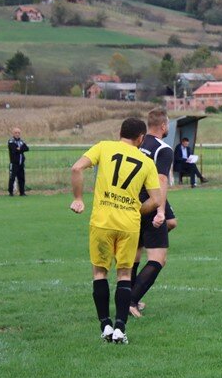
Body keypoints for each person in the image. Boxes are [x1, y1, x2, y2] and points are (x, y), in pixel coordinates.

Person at [70, 118, 162, 344]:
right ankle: (120, 327)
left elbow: (76, 168)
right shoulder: (146, 161)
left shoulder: (103, 147)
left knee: (100, 273)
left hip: (102, 221)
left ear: (120, 132)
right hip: (129, 224)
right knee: (124, 275)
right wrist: (136, 209)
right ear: (141, 138)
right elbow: (156, 199)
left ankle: (105, 326)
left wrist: (78, 199)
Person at [129, 109, 178, 318]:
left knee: (171, 223)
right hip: (150, 200)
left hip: (132, 200)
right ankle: (131, 301)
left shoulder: (138, 145)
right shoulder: (163, 149)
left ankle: (130, 297)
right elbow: (161, 180)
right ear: (164, 126)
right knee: (159, 258)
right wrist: (159, 211)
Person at [8, 127, 29, 196]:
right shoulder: (11, 141)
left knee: (22, 178)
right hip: (14, 163)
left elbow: (26, 148)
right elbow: (14, 149)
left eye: (18, 133)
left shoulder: (21, 141)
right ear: (13, 133)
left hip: (21, 163)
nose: (17, 134)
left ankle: (22, 192)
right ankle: (11, 192)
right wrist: (20, 149)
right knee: (12, 178)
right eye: (16, 133)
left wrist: (20, 149)